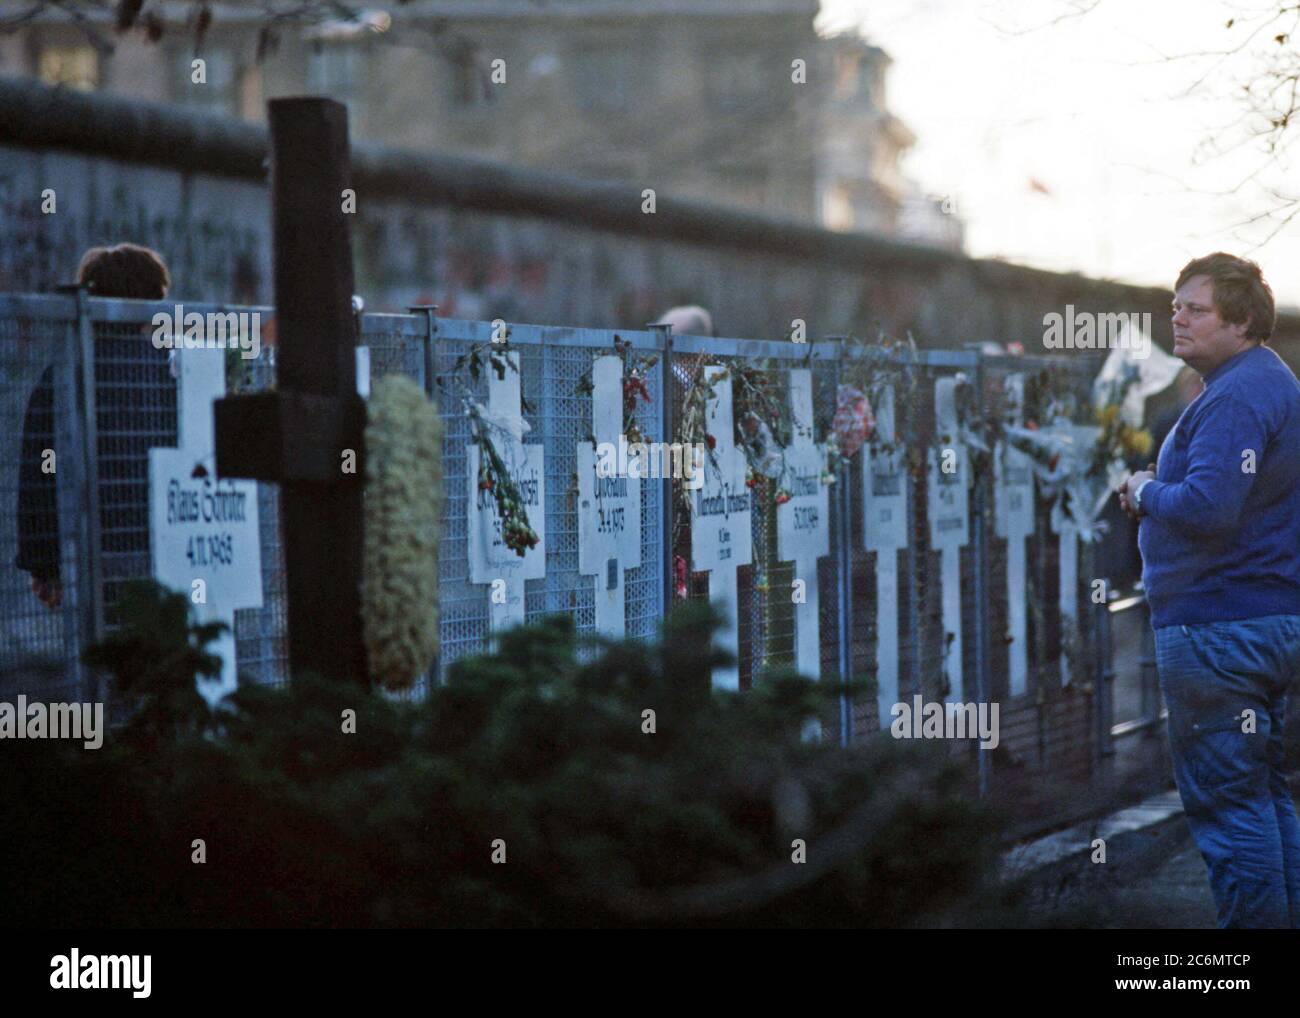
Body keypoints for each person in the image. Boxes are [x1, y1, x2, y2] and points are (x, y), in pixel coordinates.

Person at [1119, 252, 1300, 928]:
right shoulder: (1263, 383)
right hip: (1259, 620)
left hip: (1218, 630)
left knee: (1230, 811)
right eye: (1176, 306)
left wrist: (1143, 490)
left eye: (1194, 308)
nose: (1178, 317)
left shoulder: (1237, 394)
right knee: (1261, 799)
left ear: (1242, 320)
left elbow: (1209, 507)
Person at [15, 243, 173, 613]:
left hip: (89, 556)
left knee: (102, 660)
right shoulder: (173, 371)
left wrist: (42, 562)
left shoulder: (63, 376)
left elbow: (40, 471)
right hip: (169, 553)